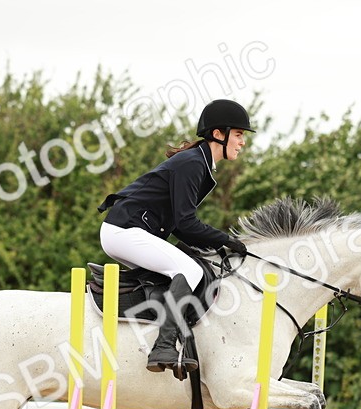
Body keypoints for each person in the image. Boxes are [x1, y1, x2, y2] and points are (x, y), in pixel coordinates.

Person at [98, 98, 253, 374]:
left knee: (181, 271)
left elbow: (180, 227)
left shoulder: (199, 163)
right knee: (190, 271)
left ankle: (166, 340)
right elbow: (187, 222)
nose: (242, 143)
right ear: (219, 134)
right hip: (125, 230)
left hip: (127, 231)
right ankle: (163, 347)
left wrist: (215, 245)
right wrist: (224, 240)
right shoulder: (193, 163)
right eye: (239, 135)